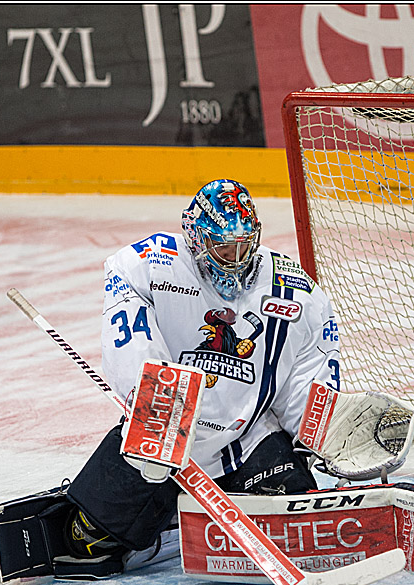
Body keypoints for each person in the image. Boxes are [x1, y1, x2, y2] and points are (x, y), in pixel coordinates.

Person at [62, 179, 341, 564]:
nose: (237, 257)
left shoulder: (296, 291)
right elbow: (128, 326)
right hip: (167, 439)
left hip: (248, 442)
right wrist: (154, 408)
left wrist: (325, 434)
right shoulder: (150, 264)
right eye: (224, 246)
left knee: (300, 533)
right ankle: (174, 530)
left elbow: (304, 379)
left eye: (245, 245)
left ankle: (179, 520)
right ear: (196, 237)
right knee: (86, 543)